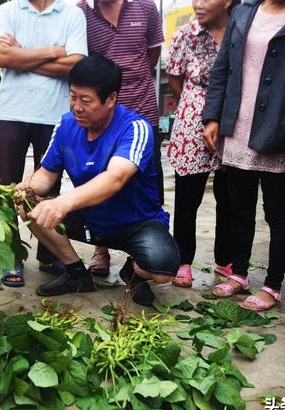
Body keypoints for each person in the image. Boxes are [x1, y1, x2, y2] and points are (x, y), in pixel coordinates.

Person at [16, 55, 179, 307]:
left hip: (136, 224)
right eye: (73, 96)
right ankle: (77, 274)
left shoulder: (135, 128)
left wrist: (63, 203)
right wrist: (23, 188)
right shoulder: (66, 125)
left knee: (163, 269)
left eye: (86, 100)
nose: (76, 107)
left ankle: (134, 272)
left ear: (111, 98)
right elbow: (45, 177)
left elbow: (115, 178)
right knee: (28, 203)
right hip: (89, 218)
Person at [203, 0, 285, 311]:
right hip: (237, 127)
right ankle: (240, 274)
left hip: (278, 130)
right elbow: (223, 67)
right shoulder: (244, 12)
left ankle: (273, 286)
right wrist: (213, 116)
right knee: (239, 209)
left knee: (277, 213)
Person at [0, 0, 87, 287]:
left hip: (54, 114)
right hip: (11, 110)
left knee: (48, 189)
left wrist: (22, 54)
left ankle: (49, 254)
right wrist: (55, 52)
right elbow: (2, 57)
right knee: (5, 189)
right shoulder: (9, 9)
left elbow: (77, 65)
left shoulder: (73, 13)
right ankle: (10, 255)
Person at [76, 0, 165, 277]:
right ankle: (100, 249)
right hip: (101, 118)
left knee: (148, 183)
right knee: (100, 180)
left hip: (143, 109)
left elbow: (153, 54)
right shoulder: (81, 12)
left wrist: (128, 82)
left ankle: (142, 255)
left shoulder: (146, 8)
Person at [166, 0, 235, 288]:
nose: (198, 4)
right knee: (187, 196)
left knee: (231, 196)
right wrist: (195, 105)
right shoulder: (186, 35)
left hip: (233, 118)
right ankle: (183, 260)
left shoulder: (241, 32)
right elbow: (174, 77)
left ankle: (226, 260)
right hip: (193, 118)